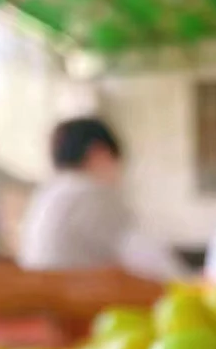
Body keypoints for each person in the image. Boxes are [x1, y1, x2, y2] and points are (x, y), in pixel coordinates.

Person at [19, 117, 181, 279]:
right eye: (117, 161)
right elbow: (152, 261)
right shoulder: (91, 194)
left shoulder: (47, 194)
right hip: (76, 300)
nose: (120, 174)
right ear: (99, 153)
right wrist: (191, 281)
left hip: (42, 297)